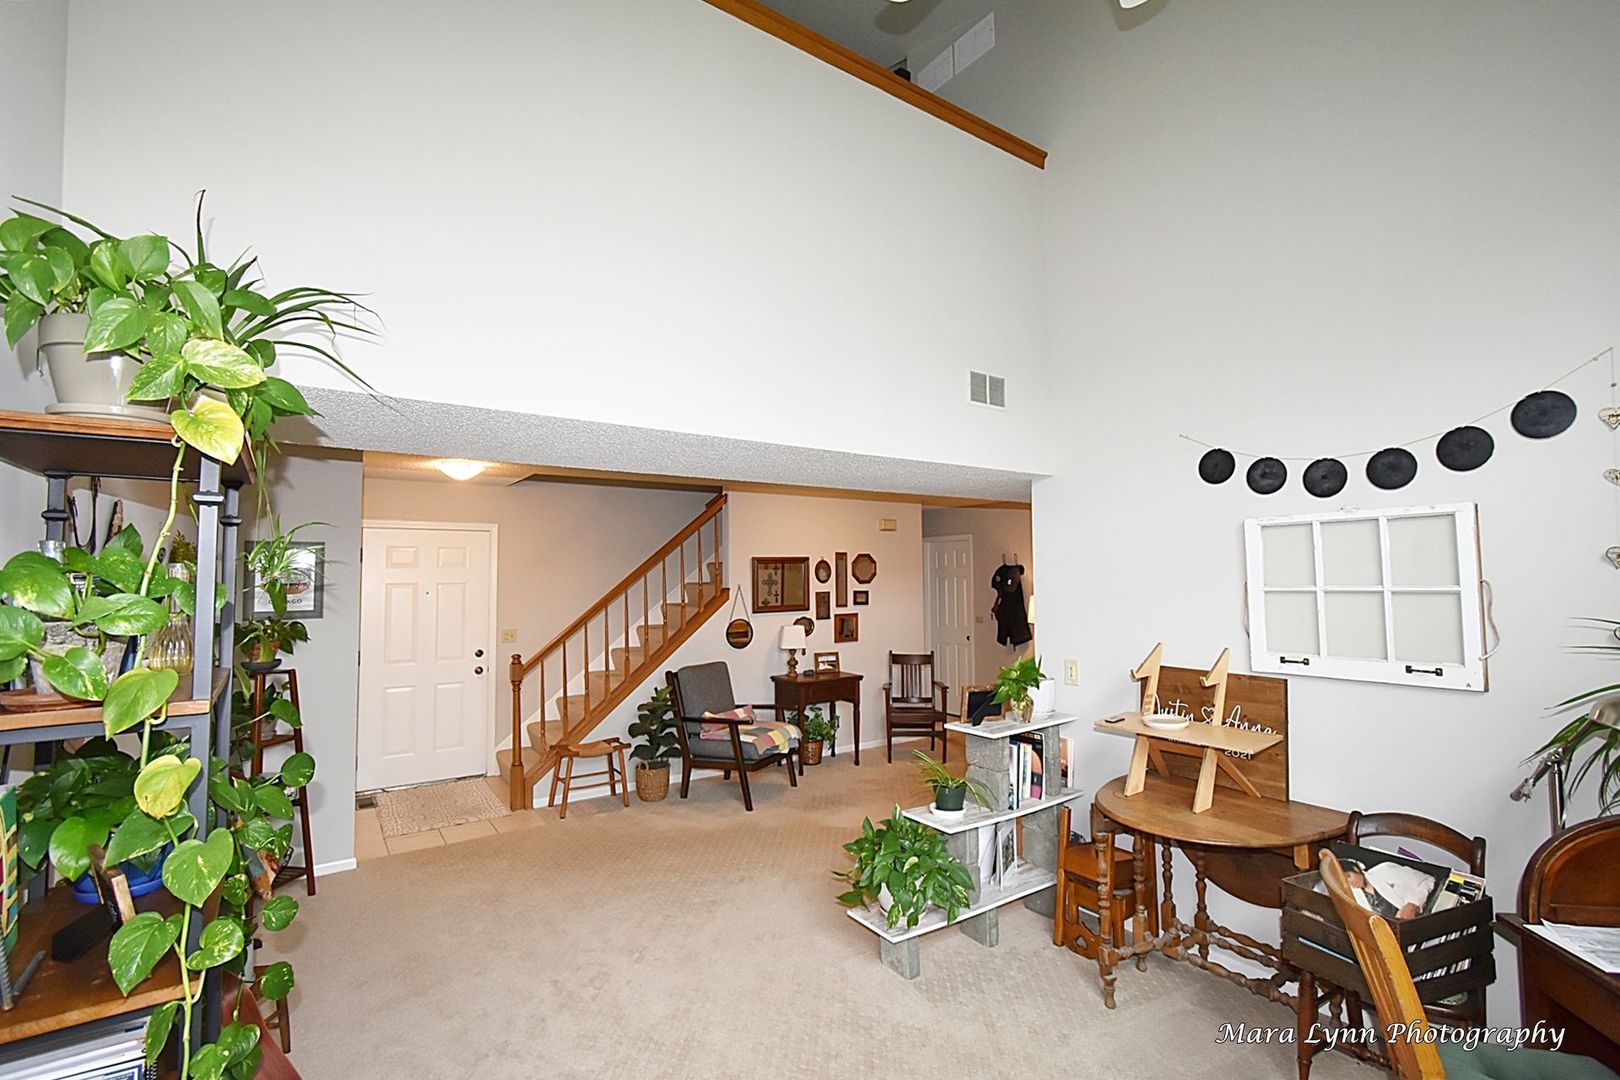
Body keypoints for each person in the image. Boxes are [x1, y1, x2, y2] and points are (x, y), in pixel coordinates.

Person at [1342, 858, 1435, 919]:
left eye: (1348, 876)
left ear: (1356, 869)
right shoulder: (1356, 897)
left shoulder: (1383, 871)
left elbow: (1427, 880)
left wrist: (1413, 904)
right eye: (1344, 881)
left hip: (1426, 916)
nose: (1350, 883)